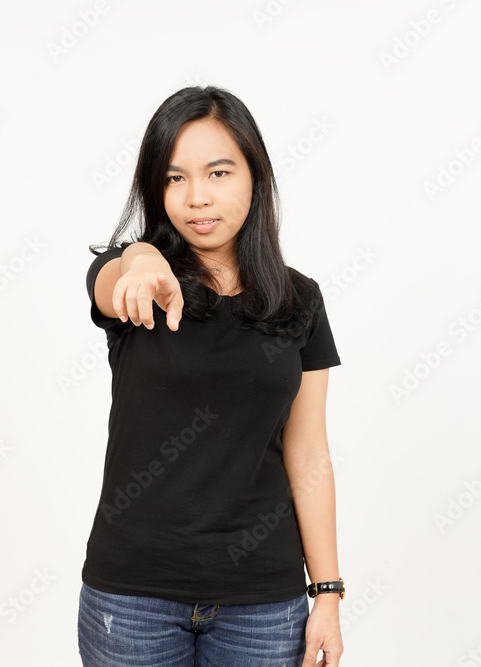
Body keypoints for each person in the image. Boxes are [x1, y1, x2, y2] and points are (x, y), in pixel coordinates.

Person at [78, 85, 345, 667]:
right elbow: (112, 277)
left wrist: (327, 593)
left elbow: (308, 452)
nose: (197, 197)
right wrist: (141, 258)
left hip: (264, 604)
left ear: (255, 175)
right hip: (133, 598)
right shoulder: (135, 288)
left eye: (218, 173)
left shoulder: (299, 300)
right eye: (174, 178)